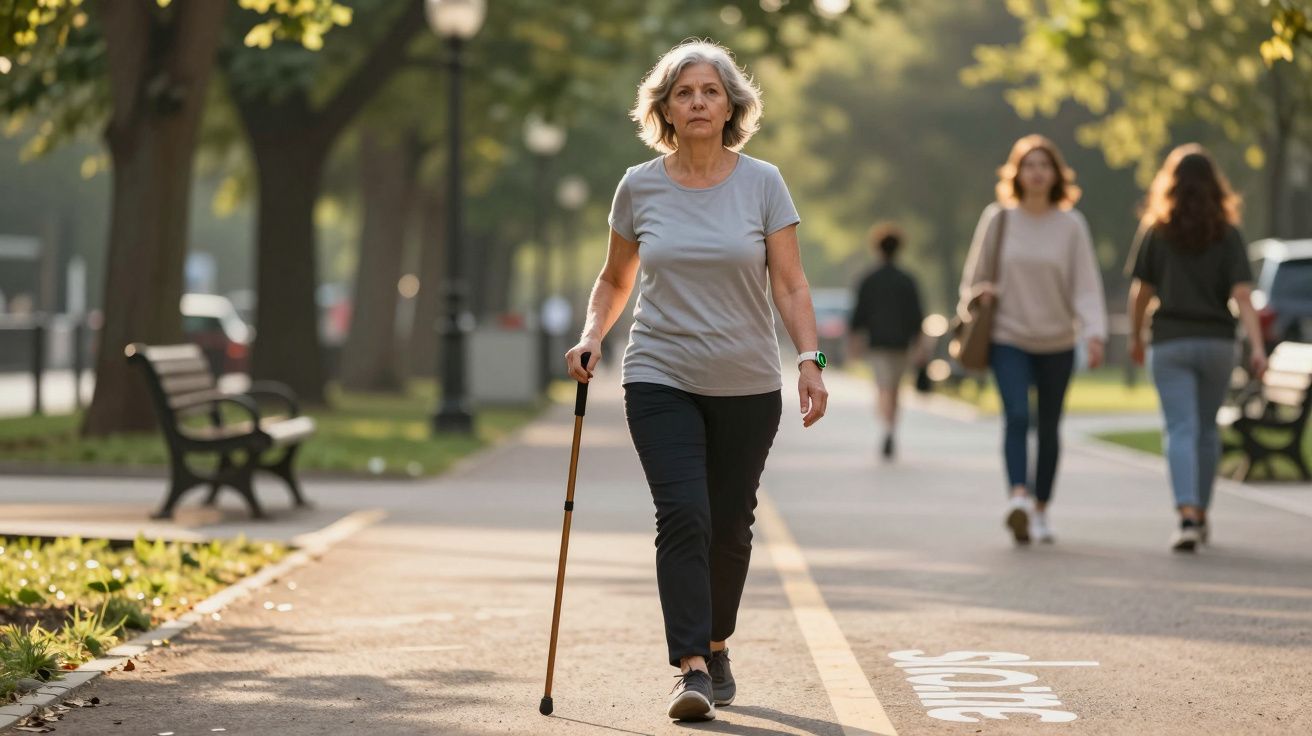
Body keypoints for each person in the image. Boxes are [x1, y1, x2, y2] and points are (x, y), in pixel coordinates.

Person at [563, 40, 828, 722]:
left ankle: (716, 641)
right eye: (685, 93)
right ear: (665, 110)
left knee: (730, 526)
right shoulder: (639, 185)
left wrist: (810, 360)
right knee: (683, 514)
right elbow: (615, 279)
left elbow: (792, 285)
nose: (699, 102)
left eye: (711, 91)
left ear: (732, 104)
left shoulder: (764, 182)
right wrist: (593, 334)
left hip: (746, 381)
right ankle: (690, 667)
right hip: (660, 374)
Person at [959, 134, 1108, 545]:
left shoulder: (1071, 225)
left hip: (1058, 340)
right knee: (1017, 416)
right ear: (1017, 173)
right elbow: (973, 279)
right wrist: (978, 296)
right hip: (1008, 336)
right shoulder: (998, 218)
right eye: (1029, 165)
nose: (1037, 172)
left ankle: (1042, 510)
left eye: (1044, 165)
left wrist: (1094, 333)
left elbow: (1086, 286)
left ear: (1056, 174)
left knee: (1049, 427)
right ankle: (1018, 500)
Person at [1126, 144, 1266, 552]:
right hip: (1217, 343)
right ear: (1214, 186)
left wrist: (1136, 337)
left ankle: (1186, 515)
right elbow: (1243, 295)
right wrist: (1256, 346)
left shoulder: (1157, 230)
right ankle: (1202, 513)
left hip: (1170, 342)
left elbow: (1141, 293)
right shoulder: (1227, 233)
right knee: (1207, 430)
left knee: (1181, 428)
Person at [847, 223, 925, 459]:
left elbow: (858, 315)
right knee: (895, 389)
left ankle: (885, 424)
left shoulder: (869, 279)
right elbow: (917, 316)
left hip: (878, 344)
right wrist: (920, 345)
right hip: (901, 344)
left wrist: (854, 342)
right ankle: (891, 426)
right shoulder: (907, 280)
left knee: (882, 386)